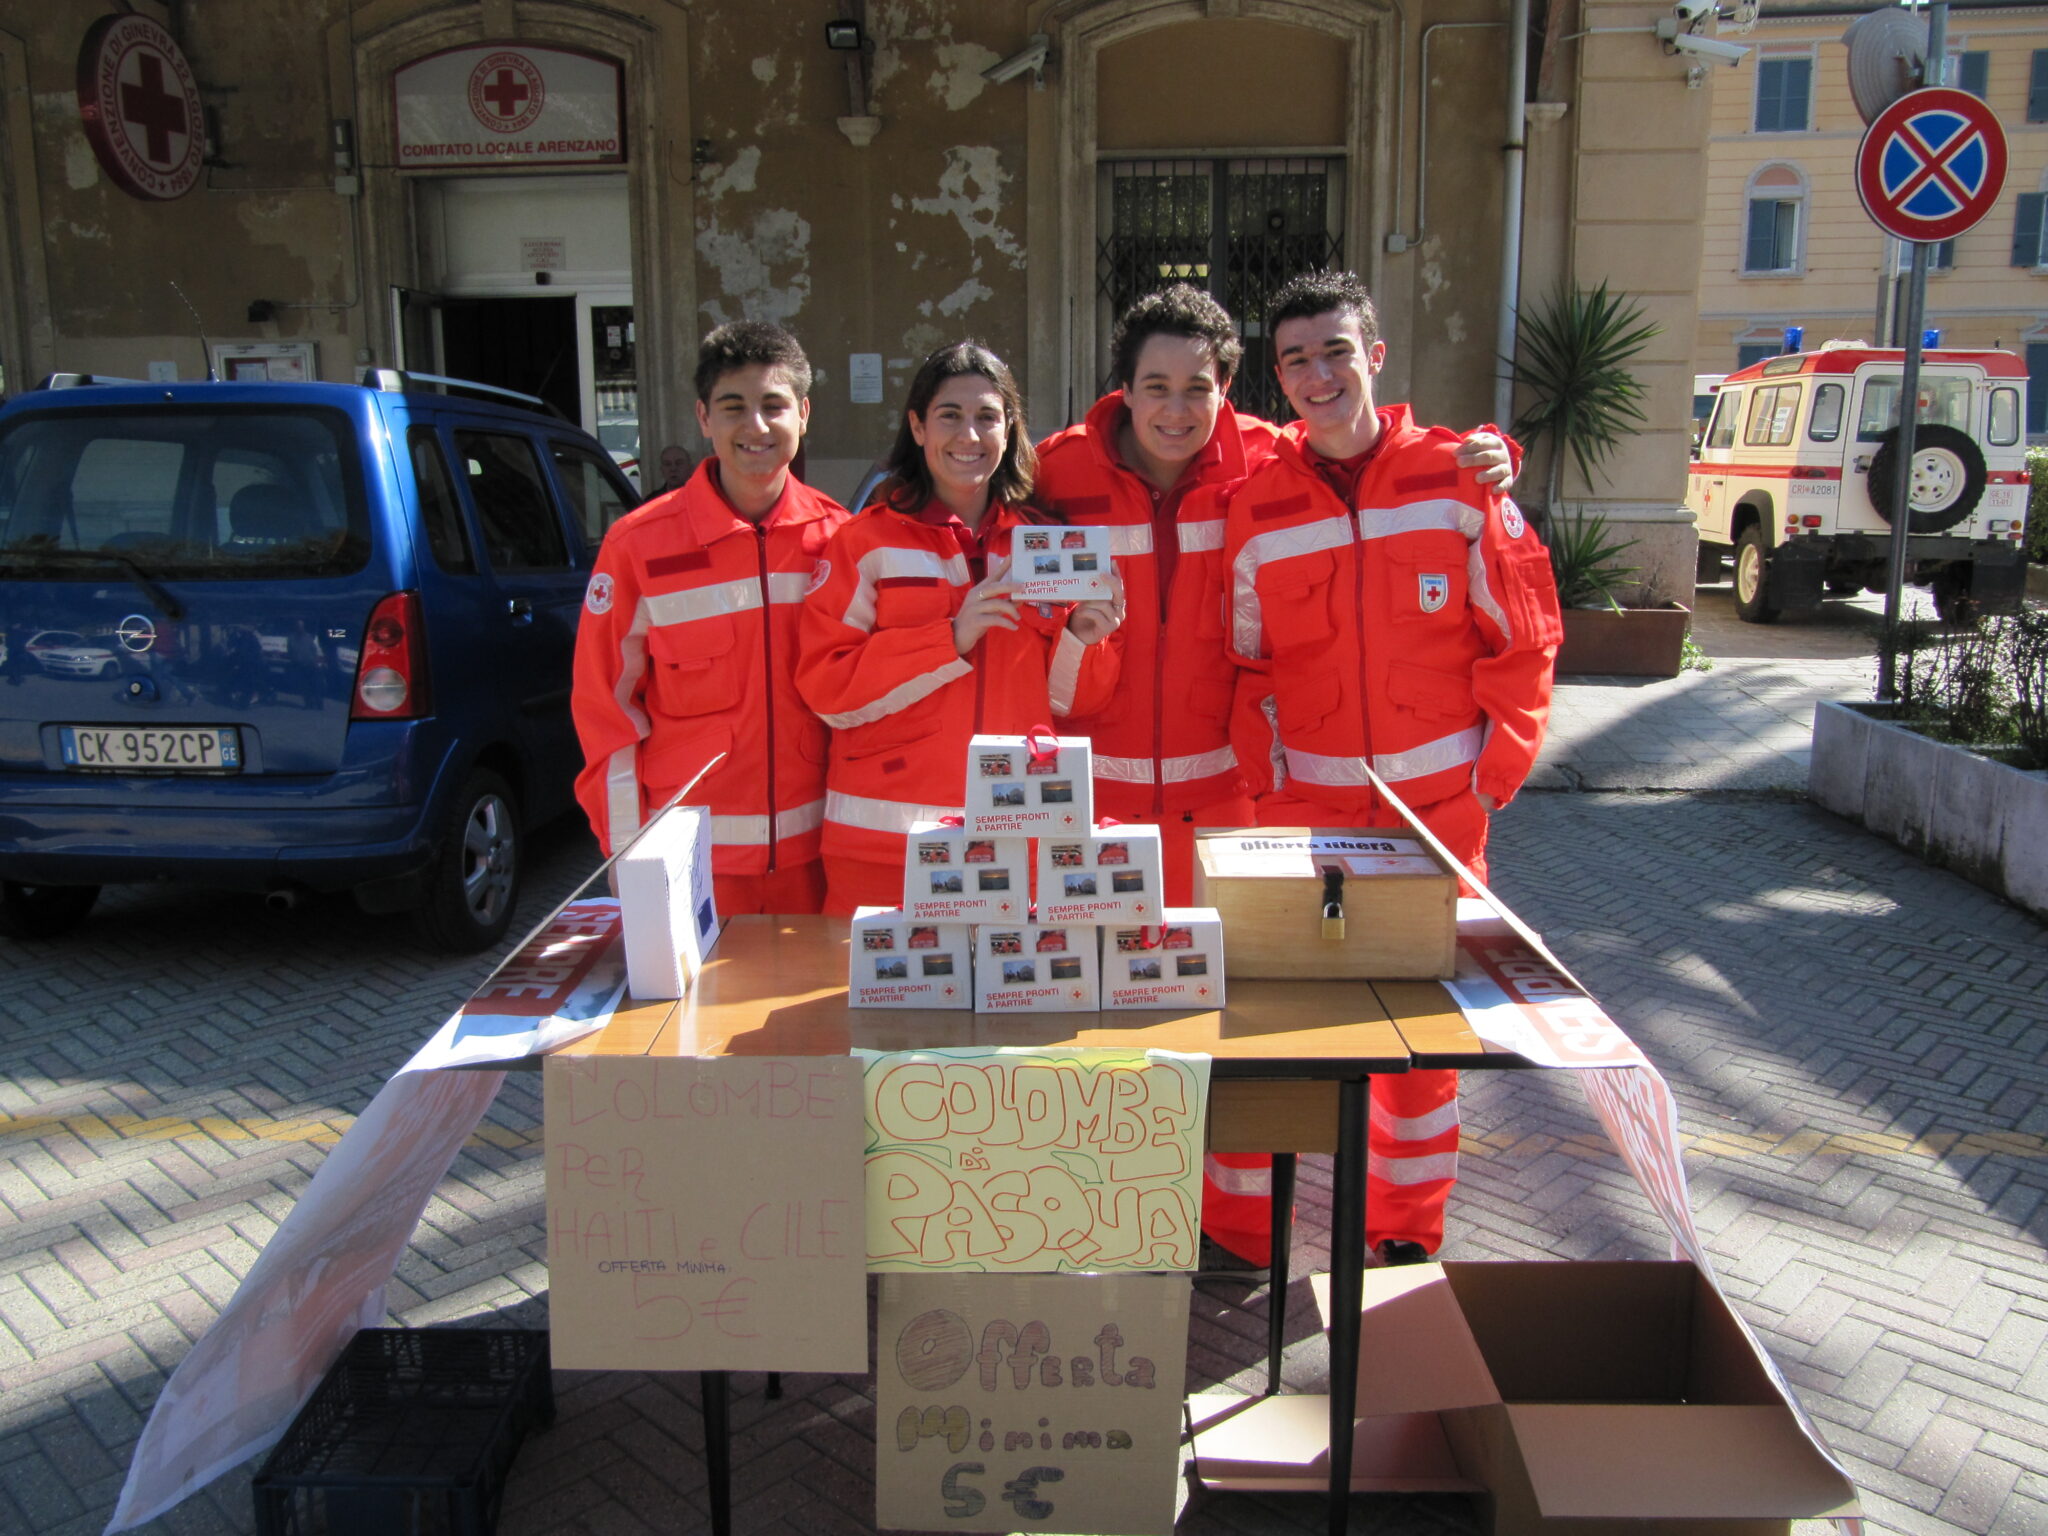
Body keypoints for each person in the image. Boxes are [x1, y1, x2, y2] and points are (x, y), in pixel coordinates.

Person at [1215, 269, 1562, 1267]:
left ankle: (1402, 1230)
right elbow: (1247, 661)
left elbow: (1524, 634)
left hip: (1437, 817)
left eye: (1335, 351)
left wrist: (1494, 776)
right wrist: (1265, 789)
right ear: (1278, 377)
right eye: (1295, 359)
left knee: (1420, 1040)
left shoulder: (1459, 480)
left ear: (1373, 354)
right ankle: (1241, 1233)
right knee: (1276, 1029)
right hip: (1304, 819)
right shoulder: (1257, 506)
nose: (1317, 374)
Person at [1033, 284, 1518, 904]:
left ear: (1225, 387)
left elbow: (1360, 457)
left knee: (1239, 961)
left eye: (1197, 388)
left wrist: (1490, 461)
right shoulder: (1057, 471)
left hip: (1229, 804)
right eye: (1156, 386)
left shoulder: (1266, 461)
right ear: (1124, 389)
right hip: (1091, 799)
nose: (1176, 410)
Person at [796, 342, 1122, 914]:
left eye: (987, 417)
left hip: (1013, 850)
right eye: (950, 415)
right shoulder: (864, 542)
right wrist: (948, 638)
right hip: (886, 852)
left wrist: (1083, 638)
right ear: (918, 427)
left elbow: (1070, 704)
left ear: (1009, 428)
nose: (969, 435)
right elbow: (826, 687)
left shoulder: (1046, 546)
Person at [572, 321, 848, 917]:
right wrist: (626, 853)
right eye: (733, 407)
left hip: (819, 858)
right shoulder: (638, 546)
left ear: (803, 414)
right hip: (691, 864)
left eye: (773, 405)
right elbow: (606, 711)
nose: (756, 426)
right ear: (704, 417)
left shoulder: (841, 539)